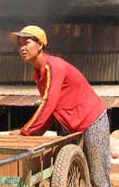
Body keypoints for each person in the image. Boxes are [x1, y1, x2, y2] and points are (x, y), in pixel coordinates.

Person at [10, 25, 112, 187]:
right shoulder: (38, 74)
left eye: (27, 43)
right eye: (20, 44)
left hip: (92, 120)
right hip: (70, 124)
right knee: (66, 174)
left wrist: (26, 132)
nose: (22, 48)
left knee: (97, 177)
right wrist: (32, 135)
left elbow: (49, 103)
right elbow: (52, 110)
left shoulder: (53, 66)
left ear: (40, 45)